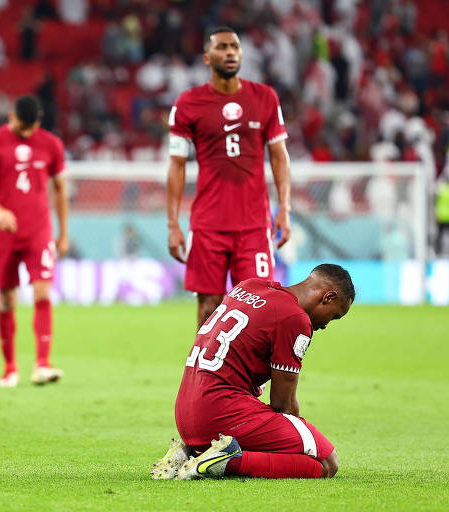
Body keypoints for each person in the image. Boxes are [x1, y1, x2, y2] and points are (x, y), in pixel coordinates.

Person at [150, 264, 355, 480]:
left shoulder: (249, 286)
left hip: (185, 414)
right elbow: (283, 404)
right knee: (326, 462)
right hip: (218, 415)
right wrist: (292, 440)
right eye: (334, 316)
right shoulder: (295, 318)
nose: (325, 326)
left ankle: (191, 452)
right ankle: (228, 461)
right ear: (328, 297)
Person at [166, 26, 293, 329]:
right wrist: (173, 224)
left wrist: (285, 209)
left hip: (253, 225)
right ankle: (206, 376)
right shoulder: (187, 104)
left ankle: (254, 379)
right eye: (222, 47)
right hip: (208, 225)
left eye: (234, 47)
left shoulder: (264, 97)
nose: (230, 53)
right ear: (207, 58)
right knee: (209, 306)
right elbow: (176, 166)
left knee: (260, 307)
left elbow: (279, 155)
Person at [0, 95, 69, 388]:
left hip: (39, 231)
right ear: (10, 115)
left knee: (42, 291)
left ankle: (42, 363)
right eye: (21, 125)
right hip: (3, 233)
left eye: (31, 126)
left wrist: (63, 232)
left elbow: (60, 189)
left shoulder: (52, 145)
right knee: (6, 298)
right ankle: (9, 367)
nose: (26, 132)